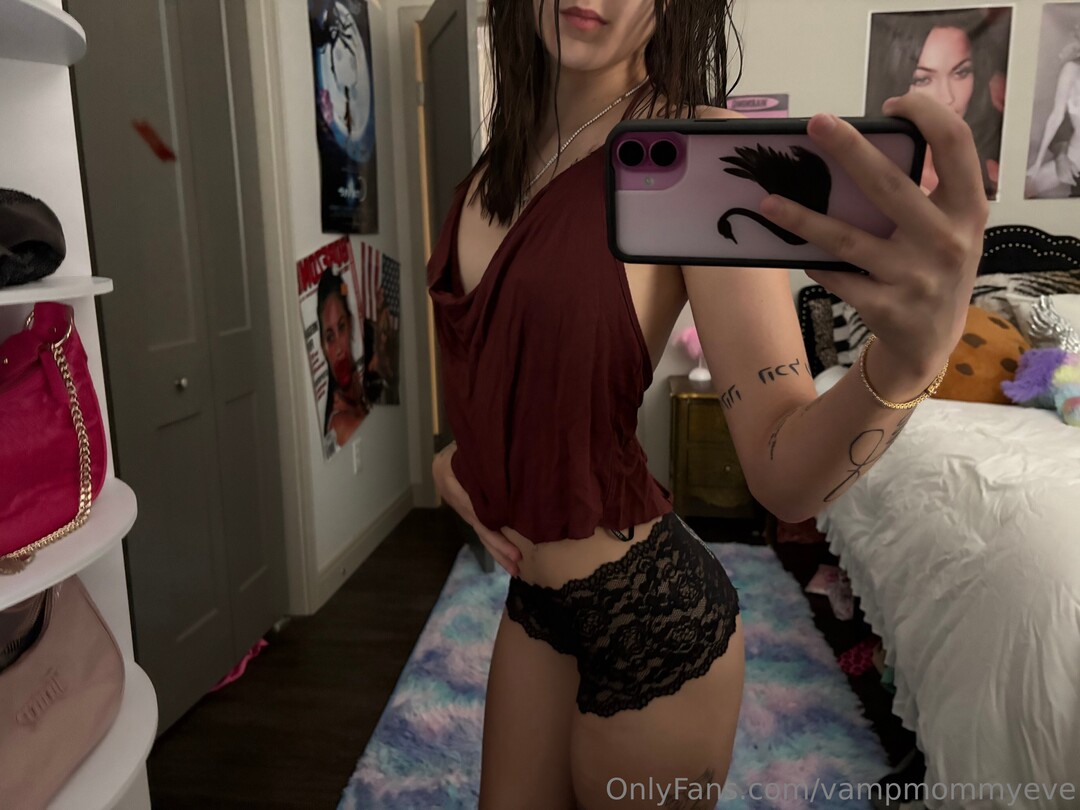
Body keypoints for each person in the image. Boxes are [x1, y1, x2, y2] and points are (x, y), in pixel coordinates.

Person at [427, 2, 989, 808]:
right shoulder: (496, 164)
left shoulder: (702, 155)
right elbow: (499, 374)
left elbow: (783, 474)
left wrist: (911, 360)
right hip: (536, 603)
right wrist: (458, 463)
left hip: (653, 620)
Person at [865, 9, 1008, 198]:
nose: (948, 97)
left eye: (961, 73)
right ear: (891, 80)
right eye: (923, 80)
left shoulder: (991, 175)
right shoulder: (866, 175)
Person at [316, 268, 368, 450]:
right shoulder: (339, 423)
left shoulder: (359, 387)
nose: (338, 349)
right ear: (323, 347)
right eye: (330, 337)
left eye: (342, 327)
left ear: (350, 324)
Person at [1026, 26, 1080, 198]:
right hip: (1075, 156)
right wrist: (1038, 162)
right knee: (1027, 188)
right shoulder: (1071, 70)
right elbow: (1056, 118)